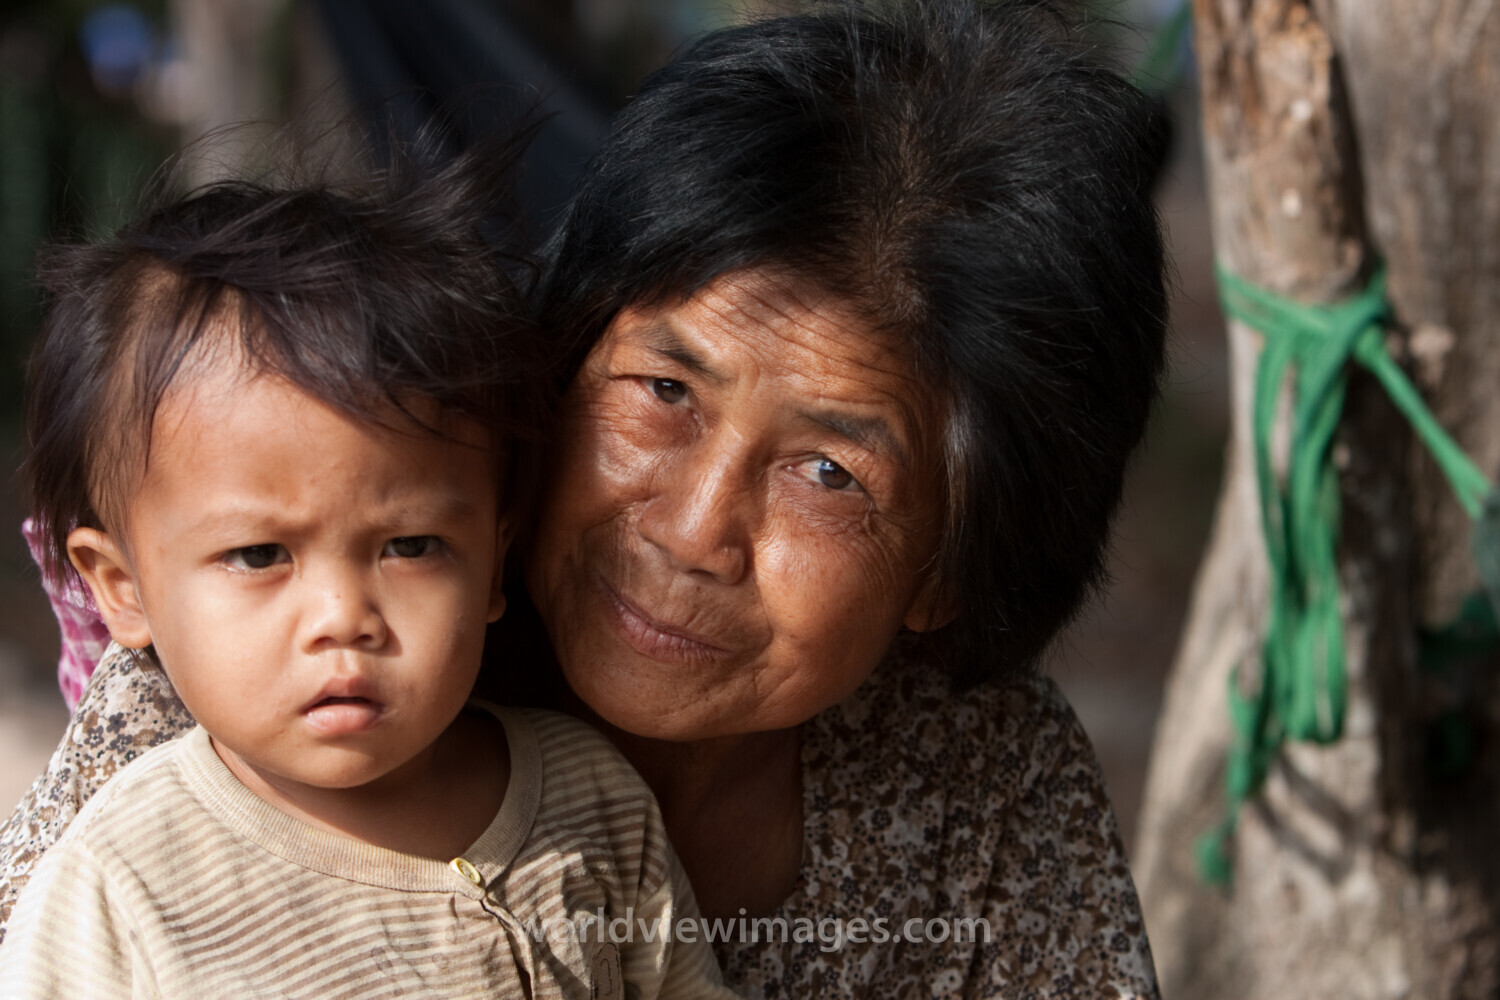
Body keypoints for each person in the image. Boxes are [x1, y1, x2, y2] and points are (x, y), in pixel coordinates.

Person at [2, 1, 1170, 994]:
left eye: (830, 472)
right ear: (563, 354)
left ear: (948, 568)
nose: (693, 528)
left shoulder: (977, 774)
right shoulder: (272, 689)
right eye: (663, 389)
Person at [0, 149, 733, 998]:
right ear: (121, 587)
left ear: (496, 557)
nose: (344, 617)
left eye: (411, 546)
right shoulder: (117, 891)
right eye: (259, 555)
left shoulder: (591, 798)